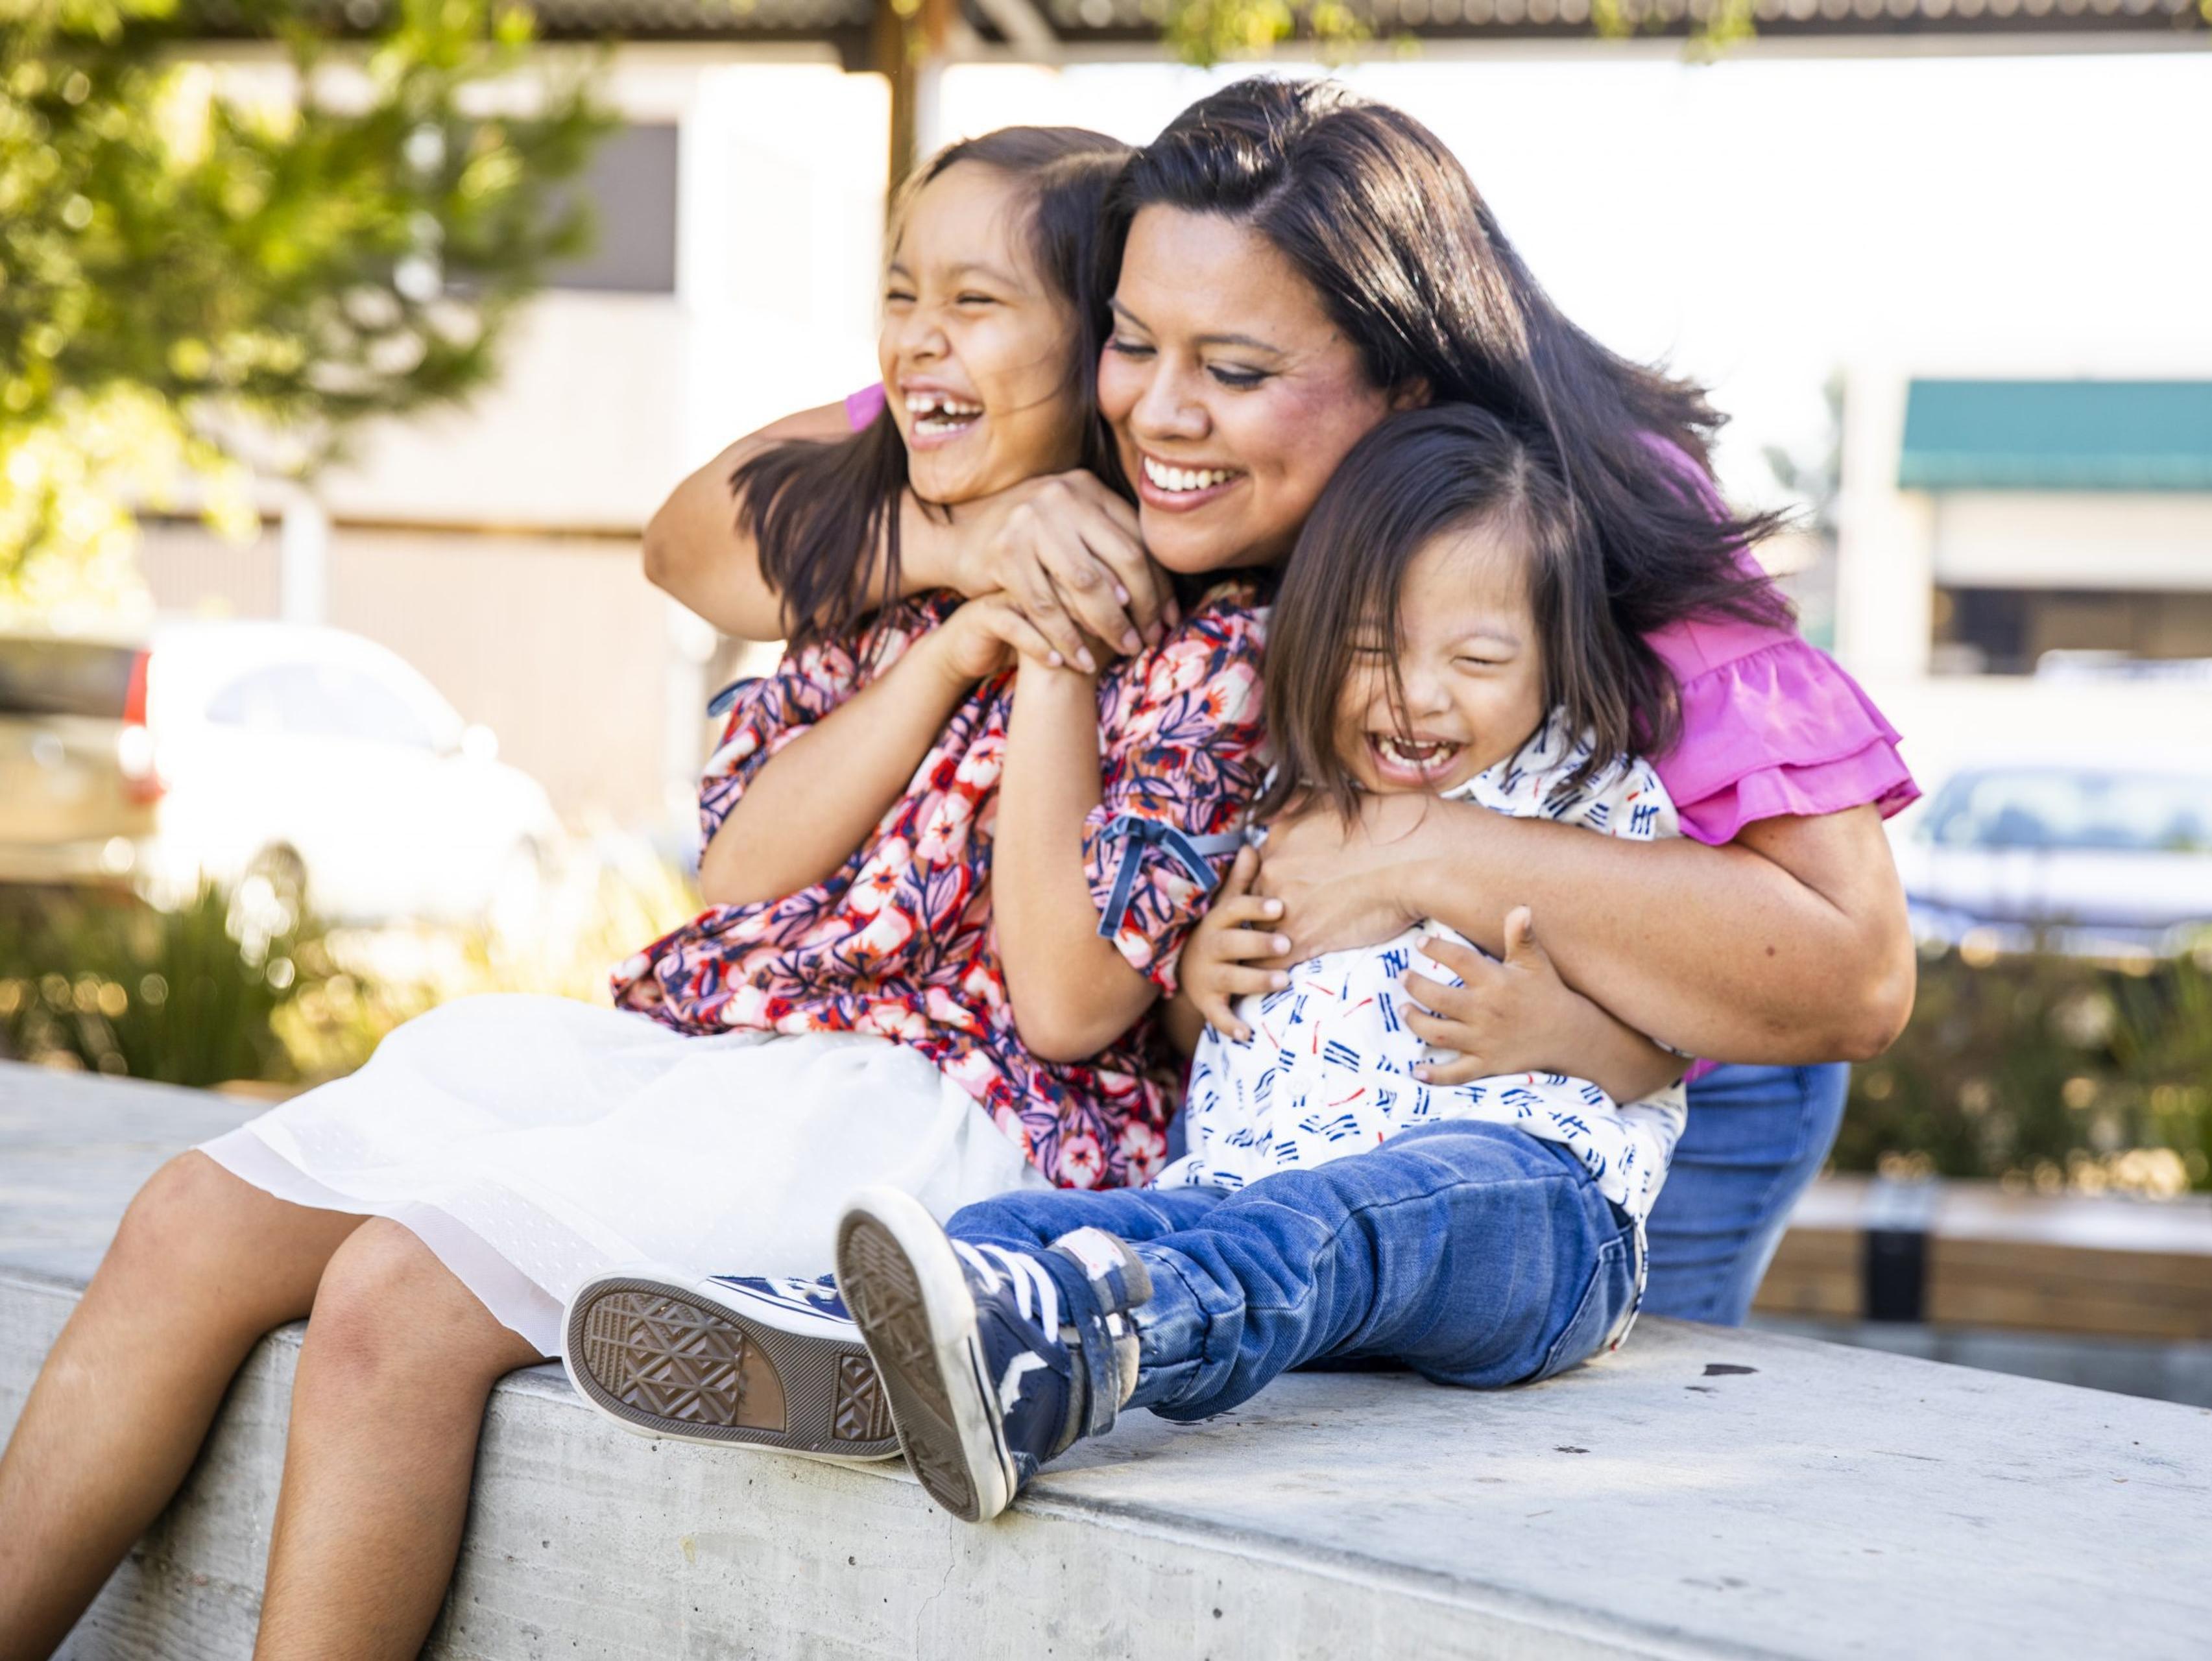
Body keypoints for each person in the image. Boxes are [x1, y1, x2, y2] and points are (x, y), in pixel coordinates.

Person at [0, 126, 1267, 1661]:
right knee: (196, 1210)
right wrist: (950, 636)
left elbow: (1067, 1006)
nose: (919, 338)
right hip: (731, 1048)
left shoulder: (1203, 641)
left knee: (400, 1300)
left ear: (1103, 358)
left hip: (934, 1103)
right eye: (898, 291)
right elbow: (737, 877)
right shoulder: (889, 571)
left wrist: (1056, 647)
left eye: (978, 303)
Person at [642, 77, 1919, 1342]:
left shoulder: (1569, 503)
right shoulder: (1128, 415)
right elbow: (693, 543)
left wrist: (1414, 852)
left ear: (1404, 389)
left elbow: (1850, 972)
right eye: (1131, 343)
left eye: (1238, 370)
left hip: (1632, 1068)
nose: (1159, 412)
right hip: (1301, 1069)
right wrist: (968, 532)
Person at [828, 401, 1701, 1523]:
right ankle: (879, 1347)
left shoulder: (1582, 799)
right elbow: (1224, 1047)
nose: (1416, 693)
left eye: (1477, 658)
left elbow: (1670, 1052)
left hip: (1528, 1216)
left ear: (1552, 661)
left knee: (1347, 1213)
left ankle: (1113, 1340)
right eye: (1372, 649)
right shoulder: (1287, 809)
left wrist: (1564, 1035)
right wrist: (1199, 988)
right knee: (1030, 1227)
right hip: (1252, 1205)